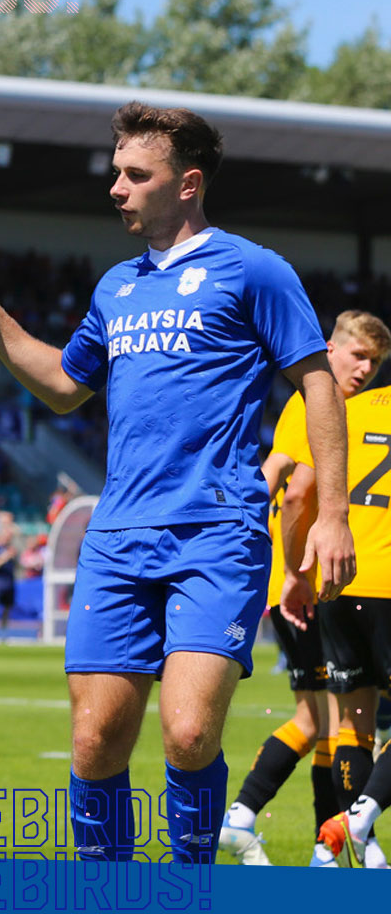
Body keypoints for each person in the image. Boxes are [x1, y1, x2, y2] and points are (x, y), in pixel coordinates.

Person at [0, 100, 355, 864]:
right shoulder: (115, 287)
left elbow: (318, 383)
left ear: (188, 183)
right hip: (118, 538)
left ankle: (189, 888)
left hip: (215, 534)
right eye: (115, 172)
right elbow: (64, 385)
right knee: (94, 742)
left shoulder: (254, 269)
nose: (115, 188)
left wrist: (333, 514)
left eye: (134, 174)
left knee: (188, 733)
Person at [220, 311, 390, 867]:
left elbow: (272, 474)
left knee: (320, 722)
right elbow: (288, 488)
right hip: (310, 582)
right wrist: (290, 570)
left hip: (300, 580)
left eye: (375, 362)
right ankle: (331, 840)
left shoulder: (326, 407)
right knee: (334, 722)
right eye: (358, 356)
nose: (365, 369)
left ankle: (307, 838)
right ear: (330, 349)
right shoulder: (320, 406)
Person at [284, 374, 391, 867]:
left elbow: (297, 494)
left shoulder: (346, 410)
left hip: (338, 579)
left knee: (352, 724)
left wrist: (294, 572)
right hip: (388, 581)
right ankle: (359, 818)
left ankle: (352, 853)